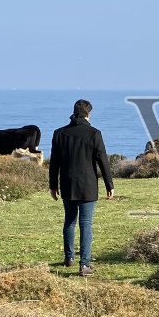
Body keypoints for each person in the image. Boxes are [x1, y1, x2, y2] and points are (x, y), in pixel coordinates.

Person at [48, 99, 114, 275]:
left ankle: (69, 258)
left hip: (67, 184)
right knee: (86, 223)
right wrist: (110, 185)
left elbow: (54, 163)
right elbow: (103, 161)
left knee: (69, 221)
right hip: (88, 185)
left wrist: (53, 185)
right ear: (88, 114)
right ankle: (84, 264)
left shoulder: (59, 133)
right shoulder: (94, 133)